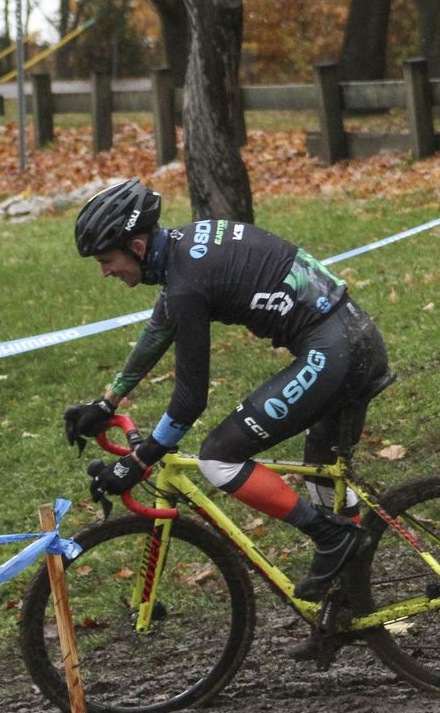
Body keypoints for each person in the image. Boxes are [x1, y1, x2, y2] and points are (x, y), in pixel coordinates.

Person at [63, 179, 389, 602]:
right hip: (351, 339)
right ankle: (349, 608)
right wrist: (107, 403)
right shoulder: (181, 252)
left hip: (334, 352)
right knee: (324, 482)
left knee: (219, 456)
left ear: (138, 248)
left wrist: (142, 459)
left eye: (107, 260)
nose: (106, 272)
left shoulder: (186, 284)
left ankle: (333, 538)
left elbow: (189, 401)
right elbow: (157, 331)